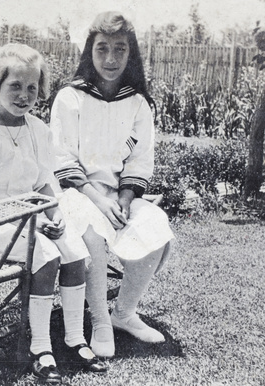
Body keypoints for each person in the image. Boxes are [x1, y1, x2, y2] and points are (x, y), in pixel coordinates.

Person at [0, 43, 107, 383]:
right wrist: (30, 218)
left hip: (29, 217)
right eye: (15, 86)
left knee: (76, 252)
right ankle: (40, 348)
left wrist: (54, 214)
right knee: (46, 254)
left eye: (32, 88)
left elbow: (45, 183)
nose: (24, 95)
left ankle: (75, 338)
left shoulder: (38, 130)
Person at [49, 11, 175, 358]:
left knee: (156, 224)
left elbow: (139, 160)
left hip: (116, 195)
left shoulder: (137, 103)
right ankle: (100, 321)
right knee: (91, 230)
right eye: (102, 49)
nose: (110, 59)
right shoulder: (70, 98)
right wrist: (98, 200)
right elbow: (61, 159)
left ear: (130, 54)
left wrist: (123, 197)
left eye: (120, 50)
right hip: (73, 193)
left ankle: (123, 313)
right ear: (89, 51)